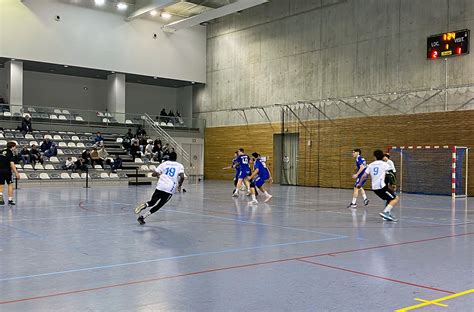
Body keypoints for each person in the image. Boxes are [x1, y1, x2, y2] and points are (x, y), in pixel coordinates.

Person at [134, 152, 185, 225]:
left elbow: (153, 174)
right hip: (169, 189)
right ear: (176, 158)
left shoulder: (164, 164)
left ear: (169, 157)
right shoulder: (180, 165)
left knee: (152, 202)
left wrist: (160, 175)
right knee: (159, 205)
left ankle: (145, 205)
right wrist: (180, 185)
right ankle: (142, 217)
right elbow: (182, 177)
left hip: (160, 186)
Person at [358, 150, 400, 222]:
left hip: (374, 188)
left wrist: (360, 184)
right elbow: (391, 174)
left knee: (389, 199)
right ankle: (385, 212)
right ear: (383, 156)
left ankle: (387, 215)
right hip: (381, 187)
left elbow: (364, 176)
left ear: (374, 157)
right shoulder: (385, 164)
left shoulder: (370, 165)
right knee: (395, 198)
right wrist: (393, 184)